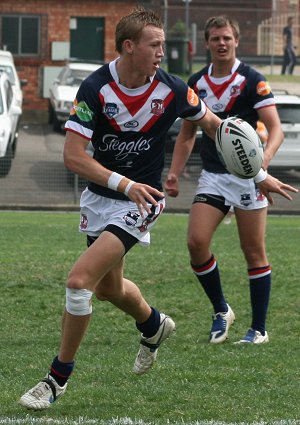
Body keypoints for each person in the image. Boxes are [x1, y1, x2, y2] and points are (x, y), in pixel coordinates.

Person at [18, 7, 226, 411]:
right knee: (109, 288)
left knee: (79, 282)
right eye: (155, 45)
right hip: (102, 198)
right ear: (129, 47)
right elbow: (73, 156)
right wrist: (122, 184)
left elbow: (218, 128)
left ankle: (55, 379)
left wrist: (259, 174)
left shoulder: (172, 89)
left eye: (163, 44)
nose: (162, 52)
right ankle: (153, 325)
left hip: (143, 200)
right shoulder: (95, 89)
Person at [165, 15, 298, 345]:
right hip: (212, 176)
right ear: (206, 43)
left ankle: (259, 330)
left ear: (236, 41)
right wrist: (174, 173)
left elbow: (276, 129)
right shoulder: (196, 83)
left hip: (249, 180)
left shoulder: (252, 80)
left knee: (253, 251)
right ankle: (221, 309)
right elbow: (186, 136)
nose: (221, 43)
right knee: (196, 243)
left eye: (227, 38)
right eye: (215, 39)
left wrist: (259, 169)